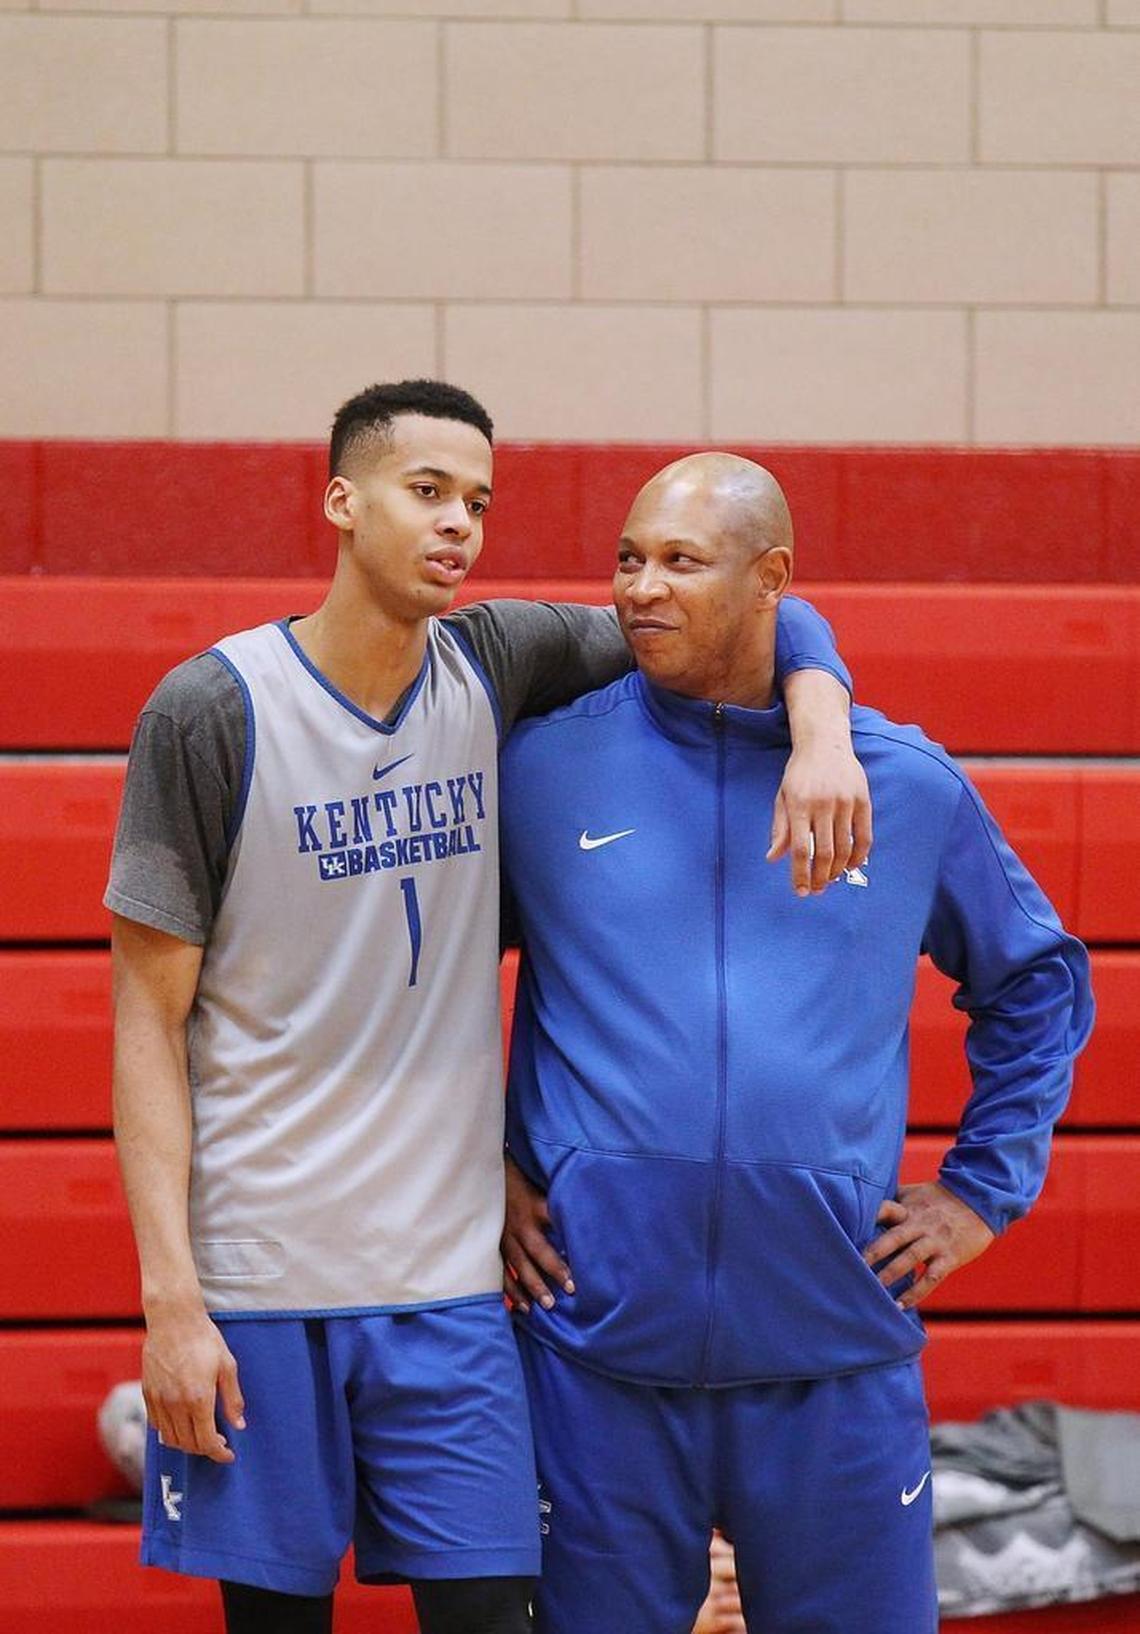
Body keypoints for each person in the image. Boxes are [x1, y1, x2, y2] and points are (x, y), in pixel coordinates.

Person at [106, 382, 869, 1634]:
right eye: (427, 491)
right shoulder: (213, 709)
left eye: (479, 500)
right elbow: (146, 1027)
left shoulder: (496, 659)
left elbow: (740, 604)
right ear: (343, 501)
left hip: (451, 1285)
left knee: (497, 1613)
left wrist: (823, 717)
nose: (459, 523)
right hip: (259, 1281)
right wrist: (170, 1302)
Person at [499, 453, 1095, 1634]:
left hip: (836, 1353)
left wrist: (982, 1190)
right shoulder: (541, 763)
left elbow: (1038, 981)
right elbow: (417, 984)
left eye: (680, 561)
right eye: (628, 558)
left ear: (772, 578)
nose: (638, 589)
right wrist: (475, 1160)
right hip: (593, 1349)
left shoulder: (904, 785)